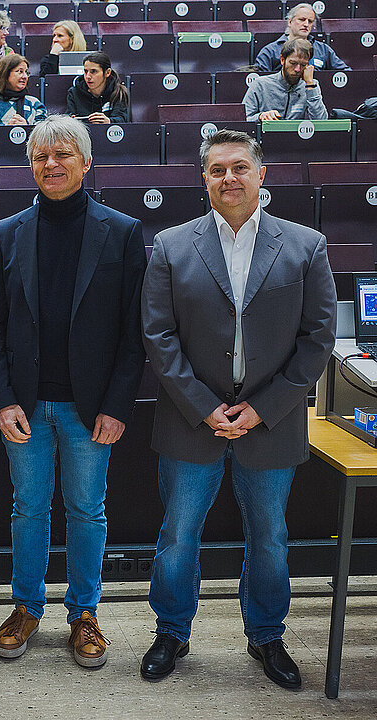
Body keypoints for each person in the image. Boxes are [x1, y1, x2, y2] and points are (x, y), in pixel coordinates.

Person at [139, 130, 336, 689]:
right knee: (179, 532)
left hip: (270, 424)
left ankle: (268, 635)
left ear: (261, 175)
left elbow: (318, 339)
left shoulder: (306, 245)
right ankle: (171, 631)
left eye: (240, 167)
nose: (230, 178)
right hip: (189, 420)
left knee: (269, 534)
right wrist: (203, 406)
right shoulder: (172, 246)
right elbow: (158, 335)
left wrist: (264, 408)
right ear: (203, 179)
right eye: (217, 169)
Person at [0, 115, 146, 669]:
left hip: (89, 407)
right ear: (30, 167)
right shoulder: (7, 233)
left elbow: (133, 331)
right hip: (25, 404)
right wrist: (2, 399)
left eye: (63, 155)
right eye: (41, 157)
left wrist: (118, 405)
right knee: (28, 510)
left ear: (86, 162)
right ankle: (26, 606)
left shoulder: (120, 232)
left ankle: (84, 613)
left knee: (86, 511)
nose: (51, 165)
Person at [244, 38, 328, 122]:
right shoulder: (260, 84)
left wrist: (310, 85)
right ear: (282, 60)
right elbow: (243, 120)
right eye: (293, 63)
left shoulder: (311, 86)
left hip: (296, 134)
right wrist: (260, 116)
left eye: (303, 64)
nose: (297, 69)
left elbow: (321, 121)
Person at [255, 3, 350, 73]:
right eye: (302, 19)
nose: (306, 24)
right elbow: (261, 82)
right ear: (289, 22)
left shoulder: (323, 50)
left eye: (310, 21)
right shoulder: (270, 51)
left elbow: (346, 73)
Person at [0, 53, 48, 127]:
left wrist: (26, 128)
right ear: (5, 74)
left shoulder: (34, 103)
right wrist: (6, 130)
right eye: (20, 72)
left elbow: (43, 135)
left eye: (26, 72)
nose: (25, 76)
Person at [66, 52, 130, 124]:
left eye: (93, 71)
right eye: (86, 71)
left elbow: (122, 119)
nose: (88, 76)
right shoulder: (74, 93)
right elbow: (68, 119)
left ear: (107, 72)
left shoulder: (118, 92)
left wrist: (109, 121)